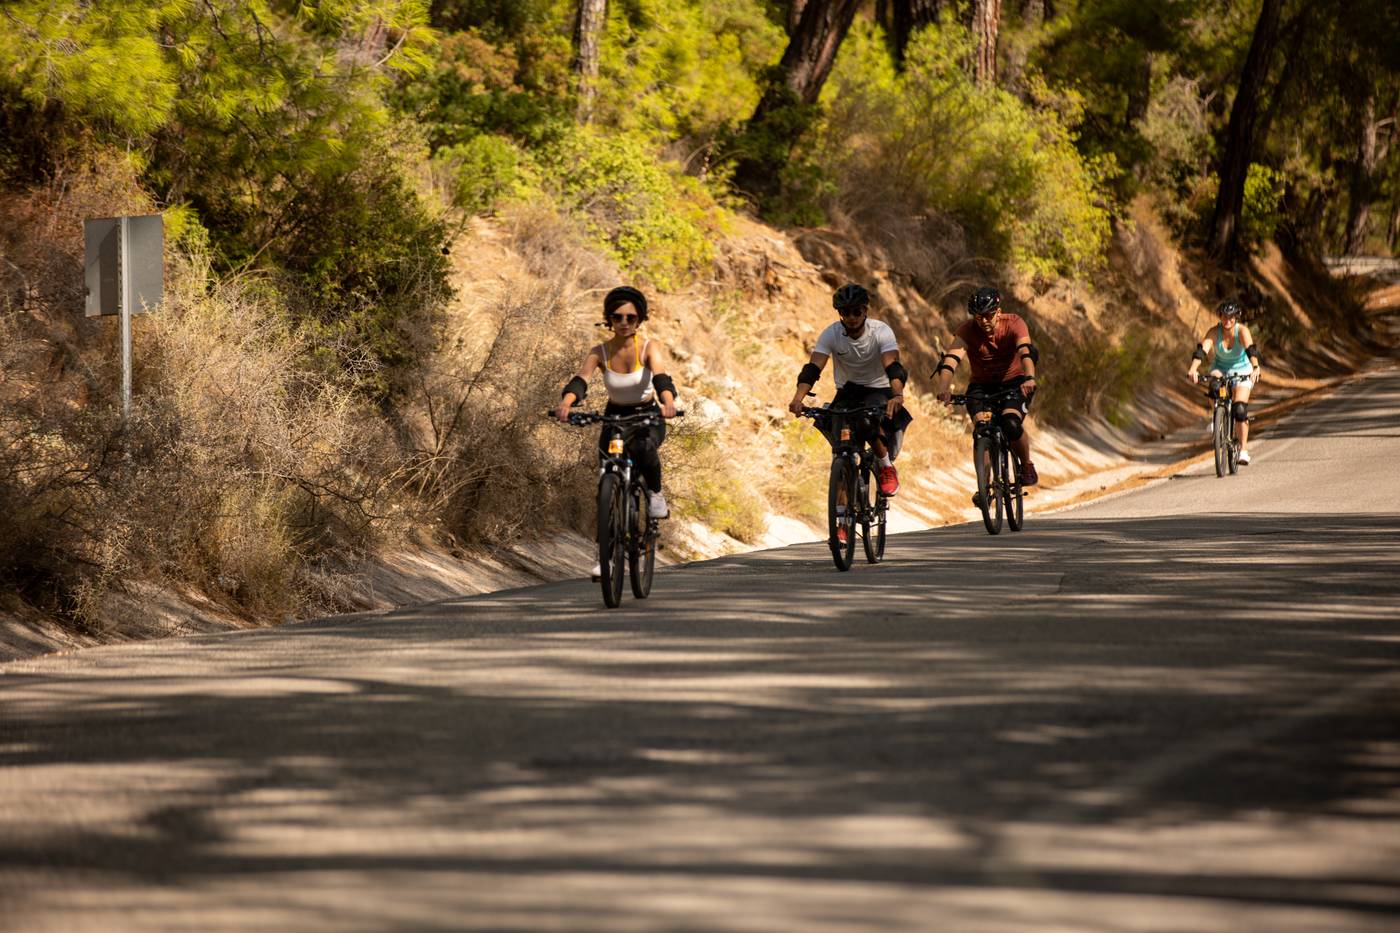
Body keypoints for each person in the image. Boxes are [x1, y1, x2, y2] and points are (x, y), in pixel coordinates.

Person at [557, 286, 679, 576]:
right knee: (606, 482)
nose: (624, 321)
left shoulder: (649, 348)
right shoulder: (599, 352)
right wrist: (567, 402)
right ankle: (606, 560)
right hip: (615, 416)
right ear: (609, 319)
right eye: (617, 316)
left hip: (648, 415)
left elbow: (661, 377)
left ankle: (655, 495)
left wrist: (668, 402)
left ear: (640, 319)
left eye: (630, 316)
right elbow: (581, 379)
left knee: (643, 449)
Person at [787, 283, 912, 541]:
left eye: (856, 311)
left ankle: (885, 466)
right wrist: (798, 398)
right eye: (845, 312)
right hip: (848, 391)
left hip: (879, 389)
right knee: (841, 450)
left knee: (868, 423)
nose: (851, 318)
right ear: (840, 314)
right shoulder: (831, 334)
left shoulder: (881, 331)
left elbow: (893, 366)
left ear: (865, 311)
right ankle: (843, 521)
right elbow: (813, 368)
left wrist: (897, 394)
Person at [933, 286, 1040, 496]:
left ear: (998, 312)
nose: (983, 321)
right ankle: (983, 485)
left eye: (988, 316)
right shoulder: (967, 330)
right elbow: (951, 360)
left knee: (1010, 423)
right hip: (981, 386)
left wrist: (1029, 378)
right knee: (981, 429)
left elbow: (1025, 351)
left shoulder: (1014, 323)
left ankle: (1026, 464)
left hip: (1014, 383)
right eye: (978, 317)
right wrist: (943, 388)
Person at [1186, 298, 1262, 464]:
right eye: (1224, 317)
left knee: (1240, 410)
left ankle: (1243, 451)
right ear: (1220, 317)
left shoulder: (1242, 331)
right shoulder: (1214, 331)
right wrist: (1193, 368)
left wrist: (1256, 367)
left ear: (1236, 317)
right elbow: (1202, 351)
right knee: (1214, 387)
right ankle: (1217, 417)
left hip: (1243, 369)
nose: (1228, 320)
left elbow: (1251, 350)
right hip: (1221, 368)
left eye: (1231, 317)